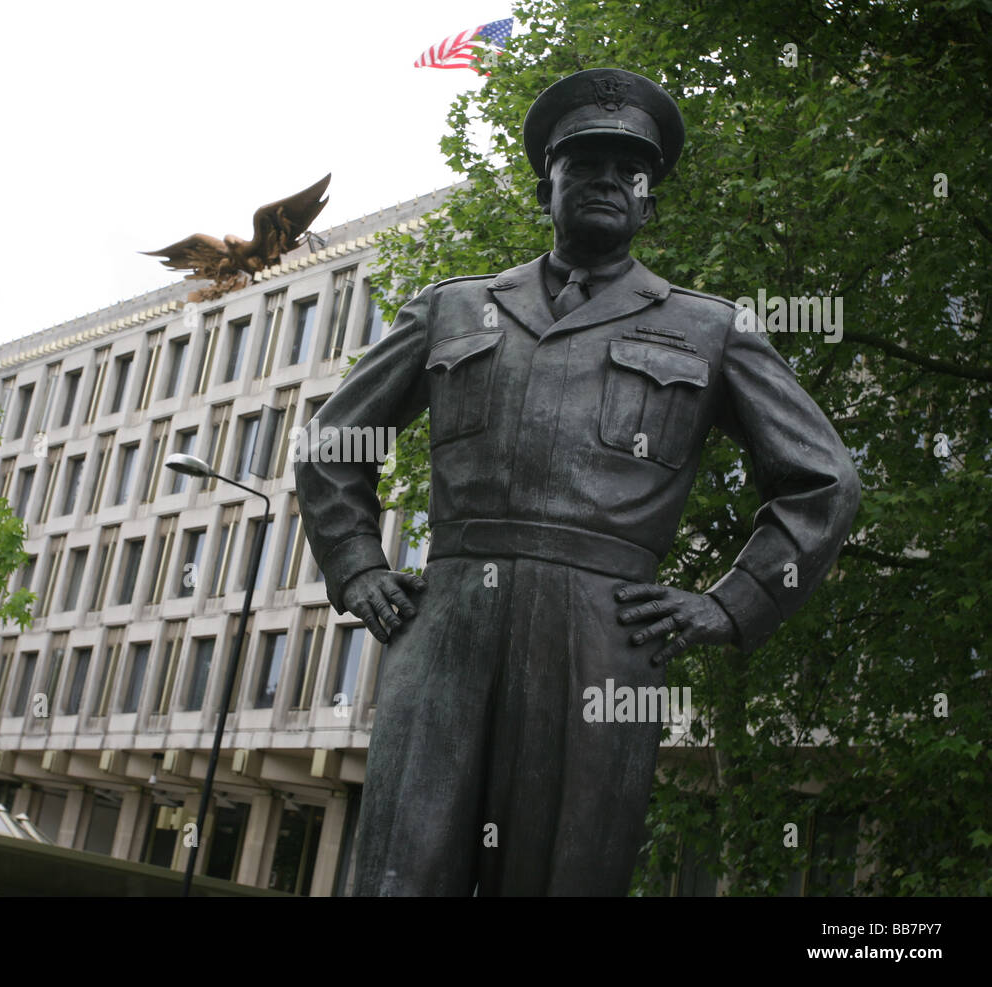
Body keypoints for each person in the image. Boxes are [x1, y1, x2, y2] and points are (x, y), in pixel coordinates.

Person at [294, 68, 860, 896]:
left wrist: (730, 603)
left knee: (565, 873)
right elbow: (333, 441)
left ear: (649, 203)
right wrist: (358, 565)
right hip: (447, 624)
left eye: (627, 171)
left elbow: (827, 478)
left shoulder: (708, 329)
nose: (605, 179)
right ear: (544, 187)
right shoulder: (452, 309)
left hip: (604, 636)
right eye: (583, 162)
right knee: (399, 871)